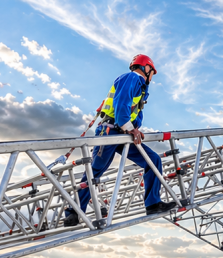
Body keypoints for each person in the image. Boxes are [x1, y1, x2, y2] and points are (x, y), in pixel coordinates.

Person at [64, 54, 177, 227]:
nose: (152, 76)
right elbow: (121, 104)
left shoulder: (140, 87)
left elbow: (134, 113)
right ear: (146, 68)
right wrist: (130, 127)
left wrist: (135, 128)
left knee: (153, 160)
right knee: (96, 170)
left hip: (124, 133)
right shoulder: (132, 78)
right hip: (110, 131)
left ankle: (153, 203)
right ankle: (74, 212)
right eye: (152, 72)